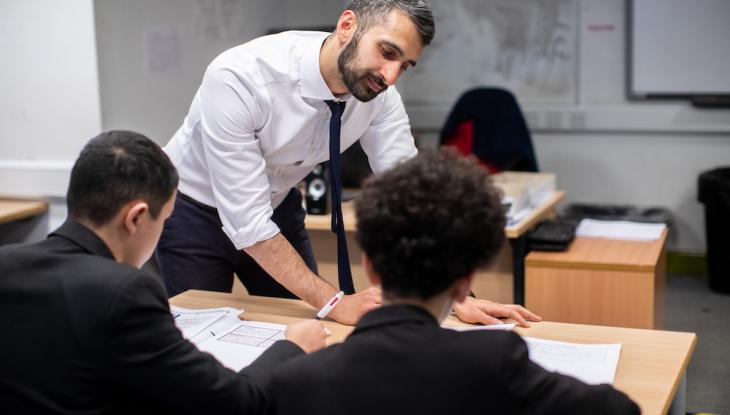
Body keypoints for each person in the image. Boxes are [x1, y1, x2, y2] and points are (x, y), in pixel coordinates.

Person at [158, 0, 539, 327]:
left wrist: (456, 294)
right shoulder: (239, 77)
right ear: (347, 26)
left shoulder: (381, 98)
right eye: (387, 52)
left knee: (309, 332)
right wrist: (335, 301)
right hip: (194, 212)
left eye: (405, 65)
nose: (390, 77)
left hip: (277, 204)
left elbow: (416, 198)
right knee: (198, 339)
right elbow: (246, 221)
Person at [267, 149, 640, 415]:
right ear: (466, 282)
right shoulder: (493, 362)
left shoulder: (297, 379)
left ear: (370, 265)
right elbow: (621, 408)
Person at [0, 130, 326, 414]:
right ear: (136, 218)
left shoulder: (7, 263)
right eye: (165, 219)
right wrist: (292, 346)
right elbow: (238, 404)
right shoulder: (124, 292)